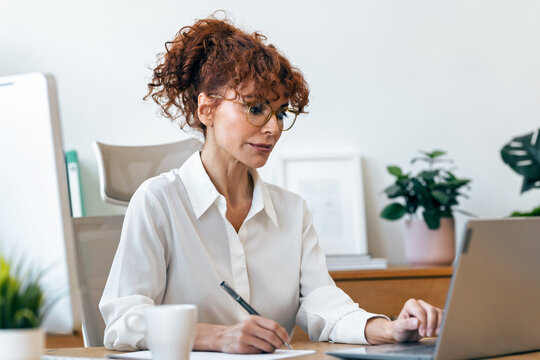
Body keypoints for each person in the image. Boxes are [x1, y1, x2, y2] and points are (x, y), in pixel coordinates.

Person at [99, 15, 443, 353]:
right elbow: (124, 321)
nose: (273, 128)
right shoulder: (159, 201)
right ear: (207, 109)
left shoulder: (292, 211)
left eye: (279, 112)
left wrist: (391, 328)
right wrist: (219, 337)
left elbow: (325, 305)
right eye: (255, 108)